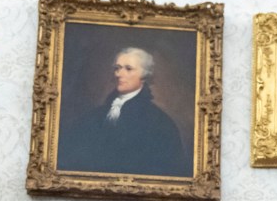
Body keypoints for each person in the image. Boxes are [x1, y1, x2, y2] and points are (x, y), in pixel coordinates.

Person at [56, 47, 190, 177]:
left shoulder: (159, 122)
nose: (119, 74)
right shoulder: (96, 115)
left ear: (144, 75)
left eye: (128, 68)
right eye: (117, 68)